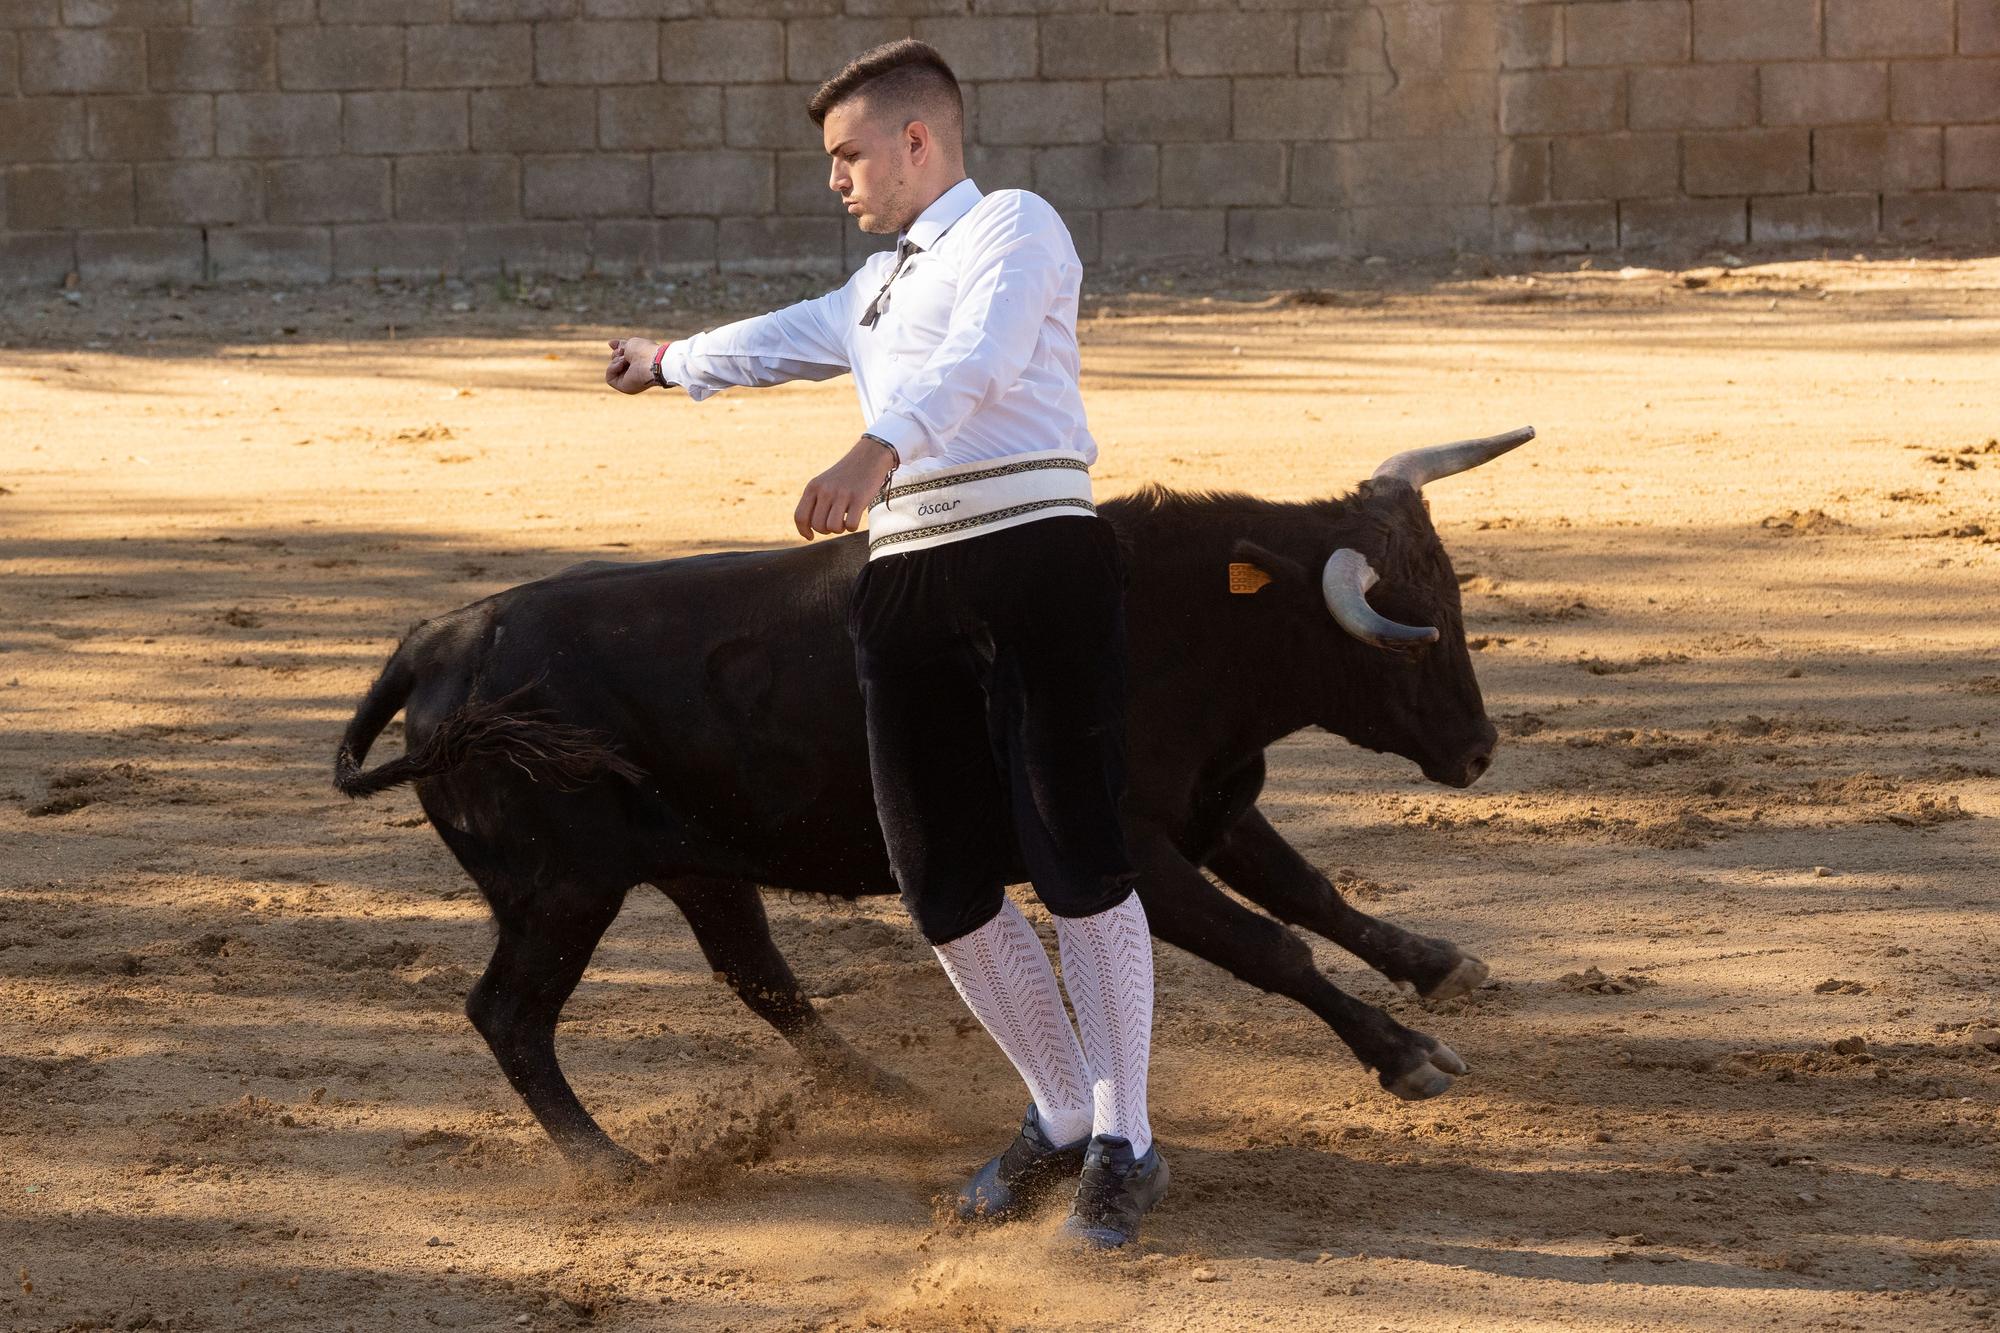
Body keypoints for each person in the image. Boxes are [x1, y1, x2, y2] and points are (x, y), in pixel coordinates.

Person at [602, 39, 1164, 1249]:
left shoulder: (1016, 226)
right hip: (907, 580)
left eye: (848, 155)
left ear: (919, 141)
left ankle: (1127, 1136)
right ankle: (1062, 1115)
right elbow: (769, 338)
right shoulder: (866, 291)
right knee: (940, 879)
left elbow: (988, 357)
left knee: (1074, 855)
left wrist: (878, 445)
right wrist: (663, 365)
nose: (835, 180)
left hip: (1033, 554)